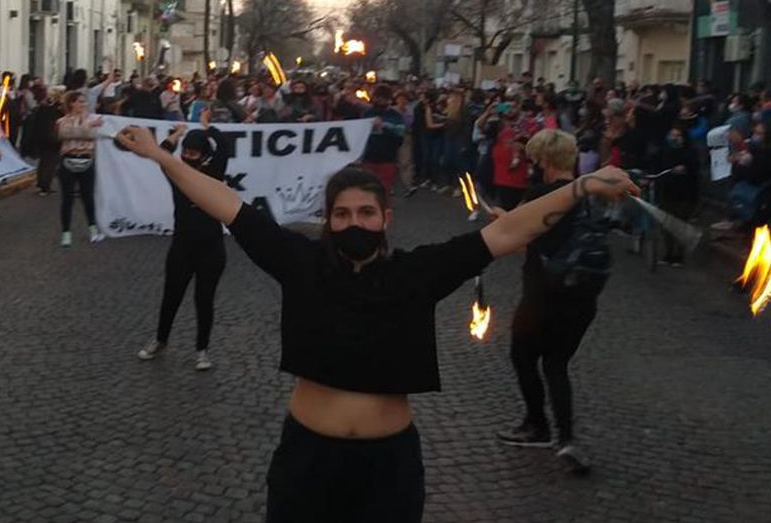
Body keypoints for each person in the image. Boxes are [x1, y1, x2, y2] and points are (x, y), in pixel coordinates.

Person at [115, 122, 637, 521]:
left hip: (388, 465)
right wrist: (160, 156)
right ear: (327, 220)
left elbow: (507, 233)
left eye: (366, 213)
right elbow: (227, 204)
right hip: (306, 458)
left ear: (386, 219)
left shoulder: (419, 273)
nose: (354, 223)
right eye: (341, 214)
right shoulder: (299, 263)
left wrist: (582, 186)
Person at [497, 129, 603, 476]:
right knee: (556, 364)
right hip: (581, 296)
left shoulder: (541, 195)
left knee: (522, 356)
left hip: (542, 295)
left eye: (535, 159)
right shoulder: (587, 195)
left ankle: (537, 425)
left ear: (544, 159)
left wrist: (501, 220)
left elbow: (515, 239)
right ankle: (566, 437)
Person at [136, 109, 231, 372]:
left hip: (211, 249)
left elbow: (224, 146)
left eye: (194, 153)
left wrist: (207, 127)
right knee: (171, 296)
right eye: (185, 152)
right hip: (182, 247)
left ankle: (202, 349)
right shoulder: (175, 173)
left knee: (204, 299)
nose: (188, 157)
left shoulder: (213, 172)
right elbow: (162, 152)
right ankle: (160, 339)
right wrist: (177, 134)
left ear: (204, 155)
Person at [56, 91, 104, 247]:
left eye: (84, 102)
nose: (84, 105)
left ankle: (93, 229)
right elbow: (64, 134)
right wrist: (88, 126)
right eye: (80, 101)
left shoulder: (94, 119)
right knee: (67, 198)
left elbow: (92, 135)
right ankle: (66, 232)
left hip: (87, 160)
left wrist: (85, 128)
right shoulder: (63, 120)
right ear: (72, 103)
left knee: (88, 197)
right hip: (68, 160)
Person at [655, 125, 698, 266]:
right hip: (667, 191)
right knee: (667, 224)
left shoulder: (690, 153)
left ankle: (679, 255)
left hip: (684, 194)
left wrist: (685, 169)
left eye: (678, 135)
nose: (674, 138)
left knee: (680, 223)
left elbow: (694, 172)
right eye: (672, 135)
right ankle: (668, 253)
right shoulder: (664, 152)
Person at [361, 86, 406, 193]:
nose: (379, 100)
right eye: (377, 97)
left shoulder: (396, 116)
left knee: (383, 191)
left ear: (389, 100)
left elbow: (399, 138)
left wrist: (383, 126)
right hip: (368, 158)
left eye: (383, 98)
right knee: (367, 191)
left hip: (387, 159)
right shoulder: (367, 113)